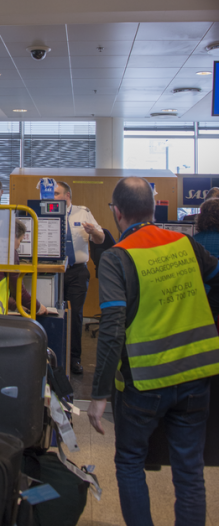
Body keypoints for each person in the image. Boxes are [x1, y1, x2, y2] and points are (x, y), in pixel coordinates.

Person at [88, 177, 219, 526]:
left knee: (130, 461)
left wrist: (99, 394)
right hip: (195, 374)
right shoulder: (186, 244)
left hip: (145, 382)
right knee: (189, 469)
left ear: (117, 213)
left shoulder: (117, 258)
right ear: (153, 208)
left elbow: (113, 329)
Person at [54, 181, 104, 374]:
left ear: (67, 196)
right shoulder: (46, 213)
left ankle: (74, 358)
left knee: (75, 315)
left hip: (77, 271)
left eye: (57, 194)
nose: (53, 197)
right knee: (53, 313)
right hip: (54, 273)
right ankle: (54, 356)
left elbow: (101, 238)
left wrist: (94, 232)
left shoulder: (83, 212)